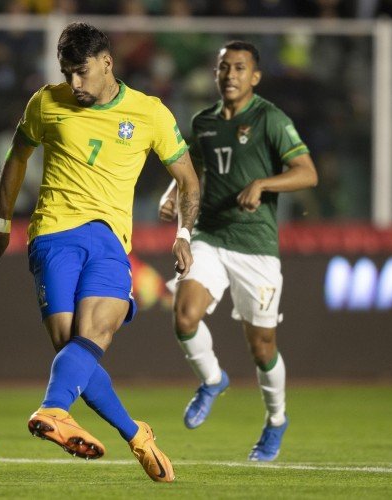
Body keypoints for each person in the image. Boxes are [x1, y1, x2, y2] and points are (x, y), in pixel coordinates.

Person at [0, 22, 200, 482]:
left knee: (90, 338)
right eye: (66, 72)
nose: (74, 83)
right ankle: (124, 431)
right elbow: (17, 156)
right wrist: (2, 223)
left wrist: (184, 233)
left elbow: (189, 179)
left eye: (81, 71)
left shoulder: (149, 113)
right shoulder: (45, 102)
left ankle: (75, 416)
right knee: (71, 348)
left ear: (106, 64)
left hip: (109, 242)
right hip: (52, 235)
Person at [158, 40, 318, 461]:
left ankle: (276, 421)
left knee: (262, 346)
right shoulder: (204, 121)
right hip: (210, 235)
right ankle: (212, 379)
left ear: (256, 76)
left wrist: (263, 184)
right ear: (215, 73)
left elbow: (307, 172)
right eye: (224, 67)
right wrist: (172, 192)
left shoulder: (270, 119)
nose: (230, 75)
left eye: (240, 68)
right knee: (184, 315)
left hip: (256, 247)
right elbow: (189, 167)